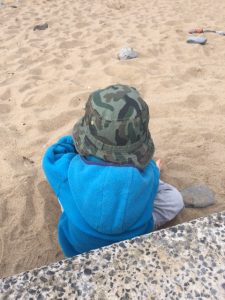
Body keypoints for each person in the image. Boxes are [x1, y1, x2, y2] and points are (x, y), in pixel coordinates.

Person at [42, 84, 184, 257]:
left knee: (66, 191)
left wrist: (76, 140)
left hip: (78, 248)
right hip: (135, 238)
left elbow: (52, 156)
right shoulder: (148, 173)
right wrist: (155, 173)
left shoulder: (68, 169)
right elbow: (152, 178)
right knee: (174, 199)